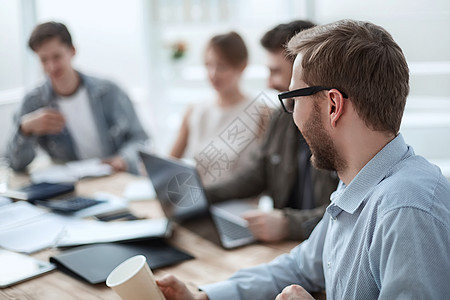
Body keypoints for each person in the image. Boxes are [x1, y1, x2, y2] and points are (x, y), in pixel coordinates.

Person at [156, 19, 450, 299]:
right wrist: (205, 296)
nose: (292, 116)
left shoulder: (407, 210)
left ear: (333, 105)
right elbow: (299, 267)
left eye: (294, 100)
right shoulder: (355, 186)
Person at [204, 20, 339, 242]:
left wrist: (288, 225)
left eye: (275, 72)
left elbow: (350, 214)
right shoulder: (281, 116)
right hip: (286, 251)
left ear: (303, 70)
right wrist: (203, 194)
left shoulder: (340, 129)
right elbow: (256, 174)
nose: (269, 83)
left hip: (321, 251)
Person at [6, 22, 149, 174]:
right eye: (43, 60)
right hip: (71, 186)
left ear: (72, 51)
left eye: (57, 57)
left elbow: (140, 139)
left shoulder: (109, 92)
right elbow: (16, 164)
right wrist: (25, 129)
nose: (51, 67)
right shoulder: (33, 102)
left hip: (117, 178)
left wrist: (124, 159)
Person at [170, 31, 269, 185]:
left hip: (241, 206)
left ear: (242, 66)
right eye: (208, 65)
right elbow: (170, 162)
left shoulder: (261, 113)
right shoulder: (194, 111)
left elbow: (268, 176)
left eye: (221, 67)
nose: (213, 74)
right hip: (200, 202)